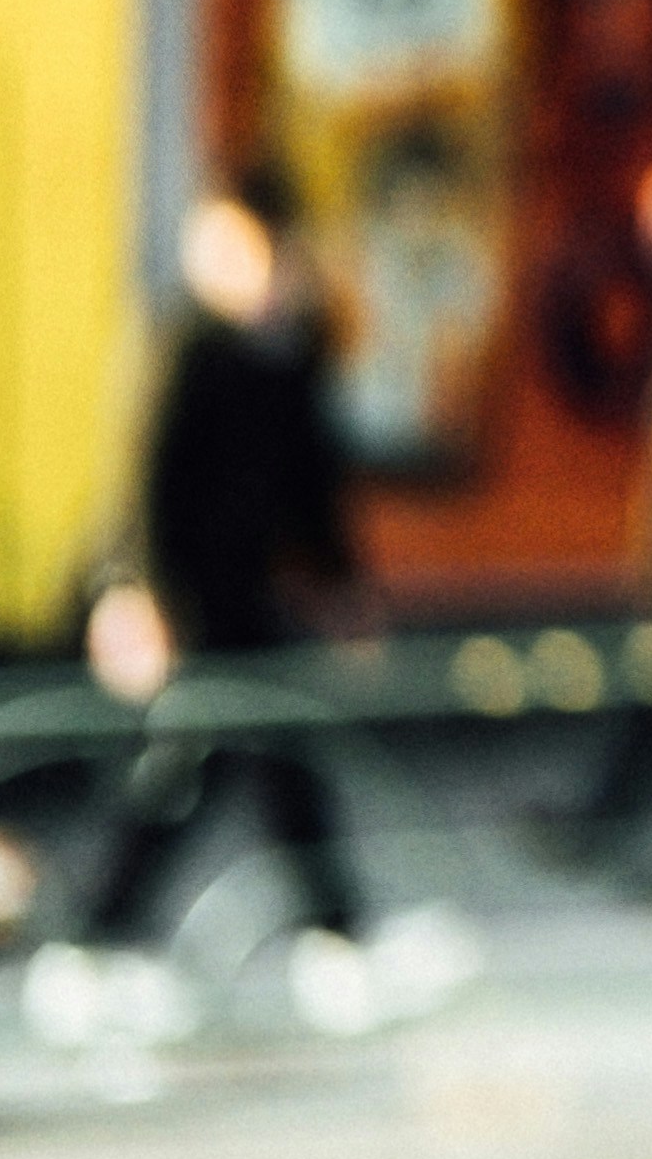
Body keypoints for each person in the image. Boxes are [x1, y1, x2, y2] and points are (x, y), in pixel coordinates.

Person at [39, 168, 393, 1046]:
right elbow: (139, 484)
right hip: (183, 598)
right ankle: (92, 946)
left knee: (273, 759)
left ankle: (331, 937)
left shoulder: (294, 350)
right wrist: (141, 598)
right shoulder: (184, 347)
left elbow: (313, 482)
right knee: (188, 771)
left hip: (247, 595)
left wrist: (342, 583)